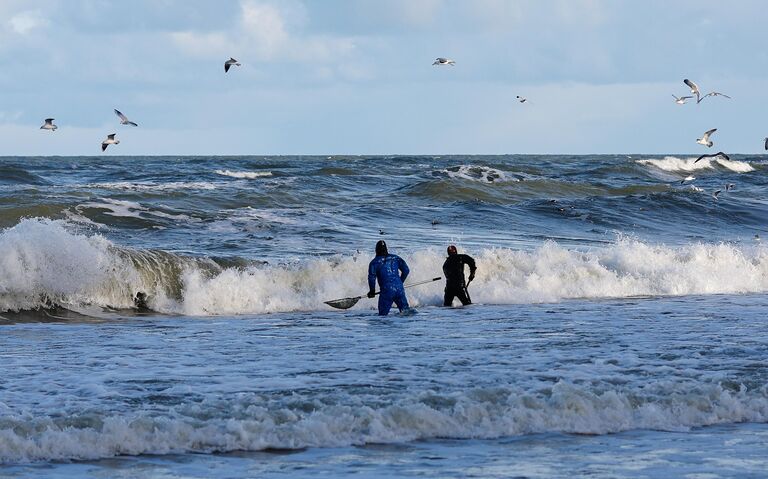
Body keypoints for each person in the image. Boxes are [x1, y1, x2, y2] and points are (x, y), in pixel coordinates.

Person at [368, 240, 410, 316]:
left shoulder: (374, 263)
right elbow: (406, 270)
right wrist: (400, 282)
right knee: (406, 312)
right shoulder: (396, 258)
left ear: (376, 250)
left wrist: (372, 291)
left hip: (387, 291)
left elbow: (372, 278)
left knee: (382, 316)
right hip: (399, 289)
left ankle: (385, 328)